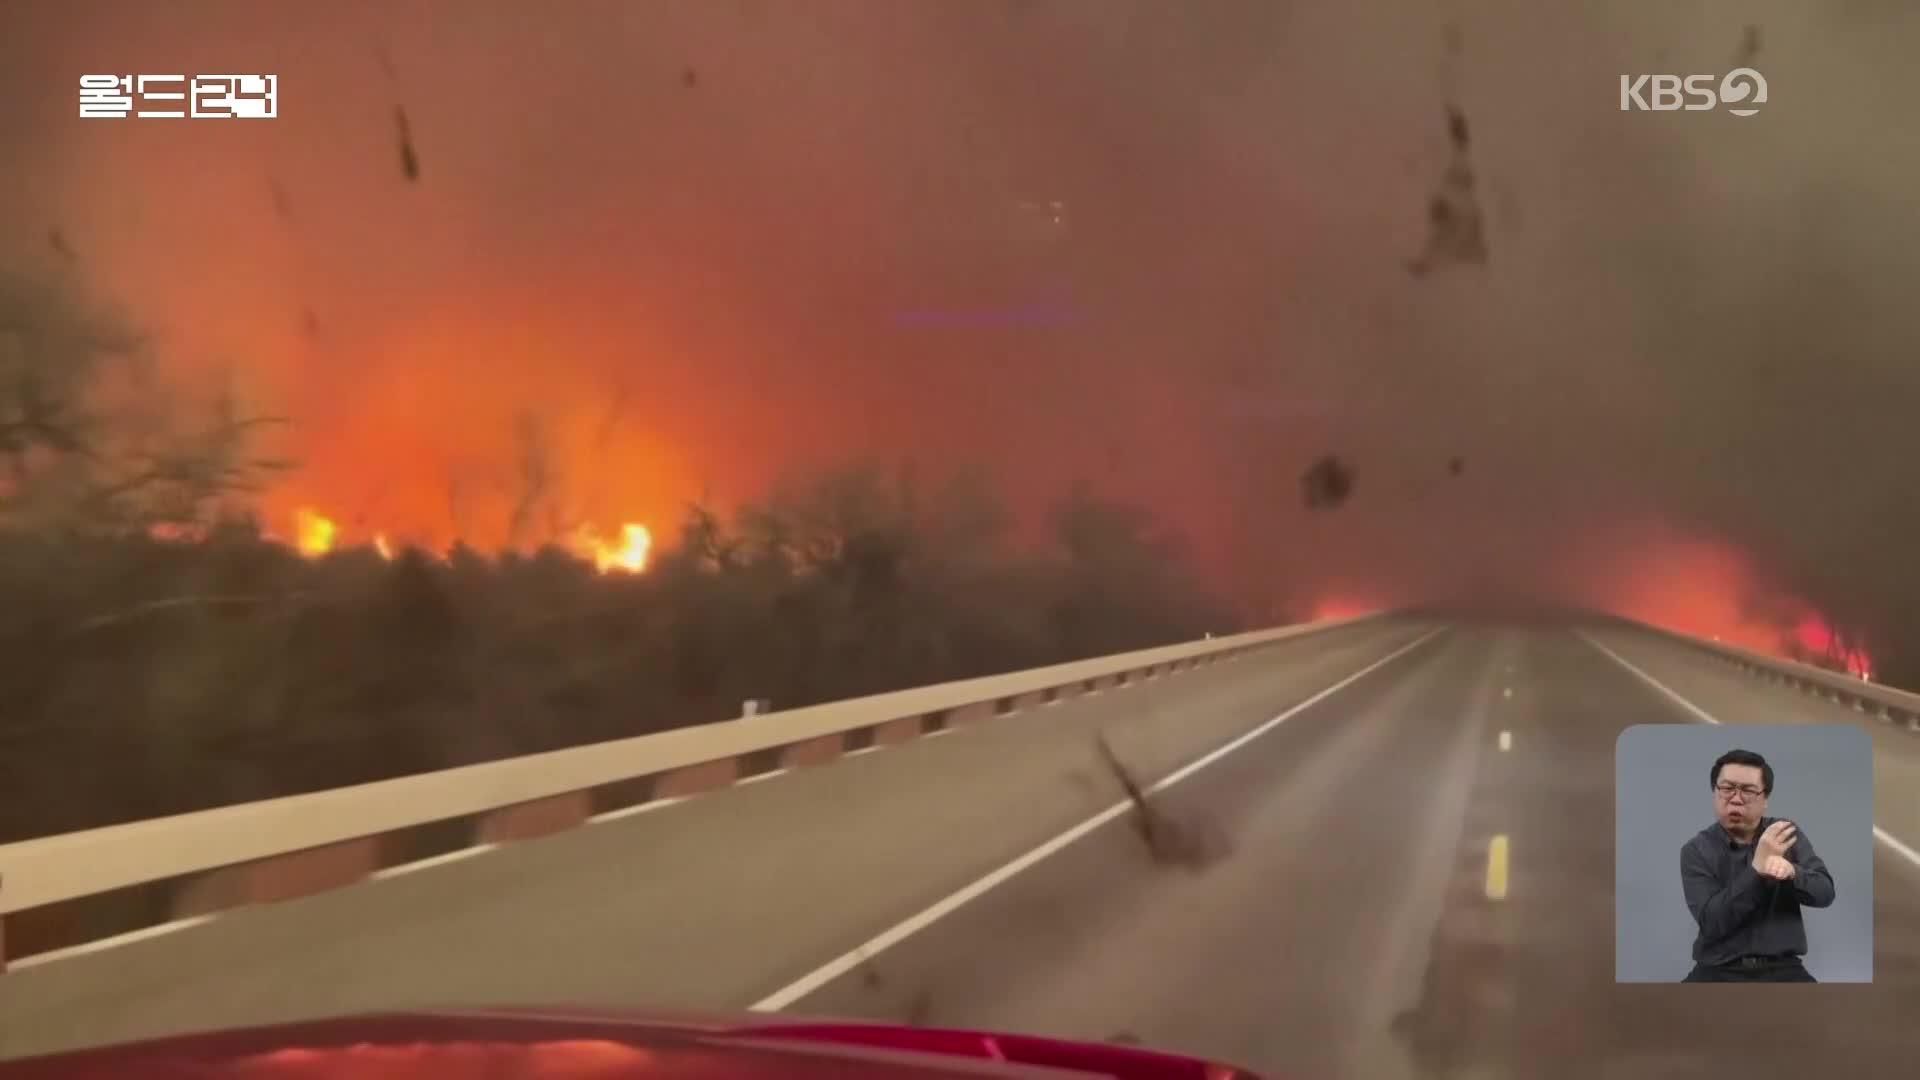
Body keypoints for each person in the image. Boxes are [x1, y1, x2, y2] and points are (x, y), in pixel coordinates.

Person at [1679, 748, 1836, 982]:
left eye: (1748, 790)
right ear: (1714, 793)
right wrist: (1757, 869)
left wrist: (1793, 873)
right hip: (1717, 970)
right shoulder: (1696, 850)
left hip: (1783, 969)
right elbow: (1712, 923)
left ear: (1765, 800)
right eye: (1727, 788)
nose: (1735, 797)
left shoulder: (1784, 834)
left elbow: (1825, 893)